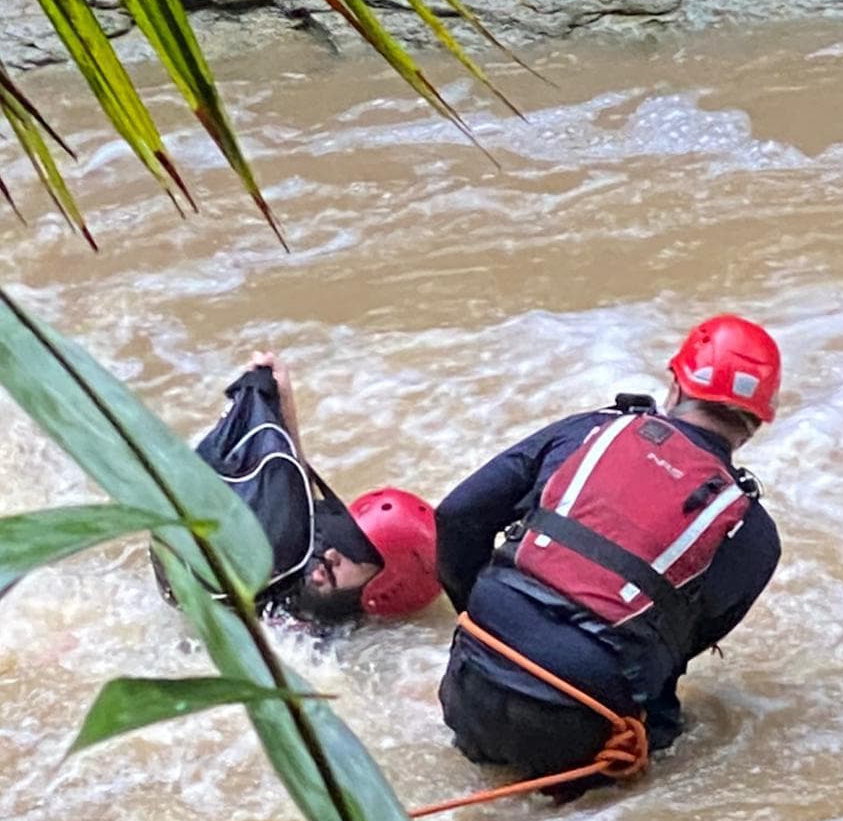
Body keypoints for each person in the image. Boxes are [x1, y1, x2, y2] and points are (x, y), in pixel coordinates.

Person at [435, 315, 782, 785]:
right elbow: (679, 646)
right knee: (690, 734)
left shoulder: (589, 431)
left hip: (467, 686)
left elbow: (456, 516)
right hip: (584, 730)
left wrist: (476, 619)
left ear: (676, 387)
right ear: (756, 424)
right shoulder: (752, 533)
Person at [164, 352, 440, 626]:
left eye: (353, 552)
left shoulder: (334, 642)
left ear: (384, 590)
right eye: (342, 535)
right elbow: (297, 501)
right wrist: (281, 398)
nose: (330, 553)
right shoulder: (318, 564)